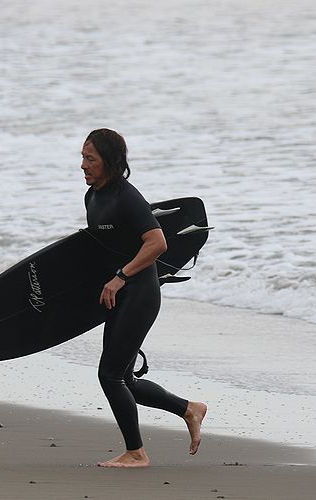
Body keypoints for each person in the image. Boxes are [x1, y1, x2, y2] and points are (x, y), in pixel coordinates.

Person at [81, 128, 207, 468]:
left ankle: (136, 453)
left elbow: (157, 243)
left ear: (109, 161)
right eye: (83, 157)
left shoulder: (127, 197)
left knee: (110, 376)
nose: (83, 165)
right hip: (117, 295)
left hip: (139, 294)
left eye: (90, 159)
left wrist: (120, 277)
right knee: (124, 380)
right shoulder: (92, 197)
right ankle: (190, 409)